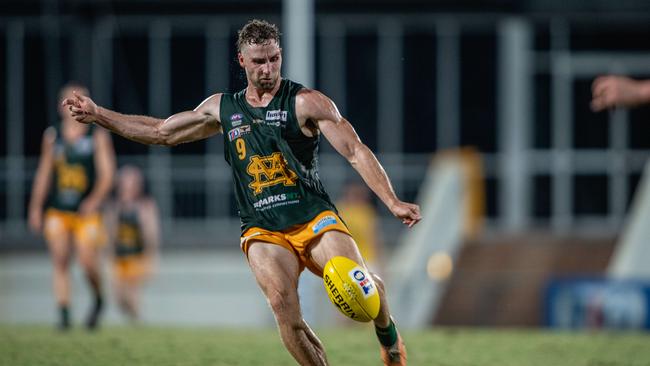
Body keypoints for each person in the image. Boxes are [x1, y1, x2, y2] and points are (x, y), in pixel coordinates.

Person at [63, 19, 420, 365]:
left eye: (274, 59)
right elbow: (161, 132)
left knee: (362, 290)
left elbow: (355, 151)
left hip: (313, 217)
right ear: (242, 61)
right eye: (259, 61)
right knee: (283, 305)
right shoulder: (223, 108)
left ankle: (387, 335)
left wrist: (392, 201)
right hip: (262, 229)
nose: (268, 69)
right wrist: (99, 115)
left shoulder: (306, 102)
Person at [28, 83, 116, 330]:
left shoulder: (96, 135)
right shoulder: (52, 136)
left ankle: (98, 298)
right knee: (60, 258)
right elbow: (44, 174)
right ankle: (64, 314)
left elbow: (108, 175)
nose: (74, 105)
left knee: (88, 261)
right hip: (59, 209)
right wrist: (35, 207)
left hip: (86, 212)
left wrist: (94, 200)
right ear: (61, 105)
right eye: (69, 100)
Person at [105, 165, 160, 323]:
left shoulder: (146, 205)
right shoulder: (115, 206)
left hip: (137, 256)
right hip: (120, 257)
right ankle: (134, 319)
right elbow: (109, 234)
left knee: (132, 293)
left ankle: (137, 322)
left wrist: (152, 257)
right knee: (119, 297)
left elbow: (152, 234)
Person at [336, 181, 383, 273]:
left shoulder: (367, 211)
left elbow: (375, 239)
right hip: (347, 260)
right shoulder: (340, 210)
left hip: (368, 259)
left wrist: (381, 264)